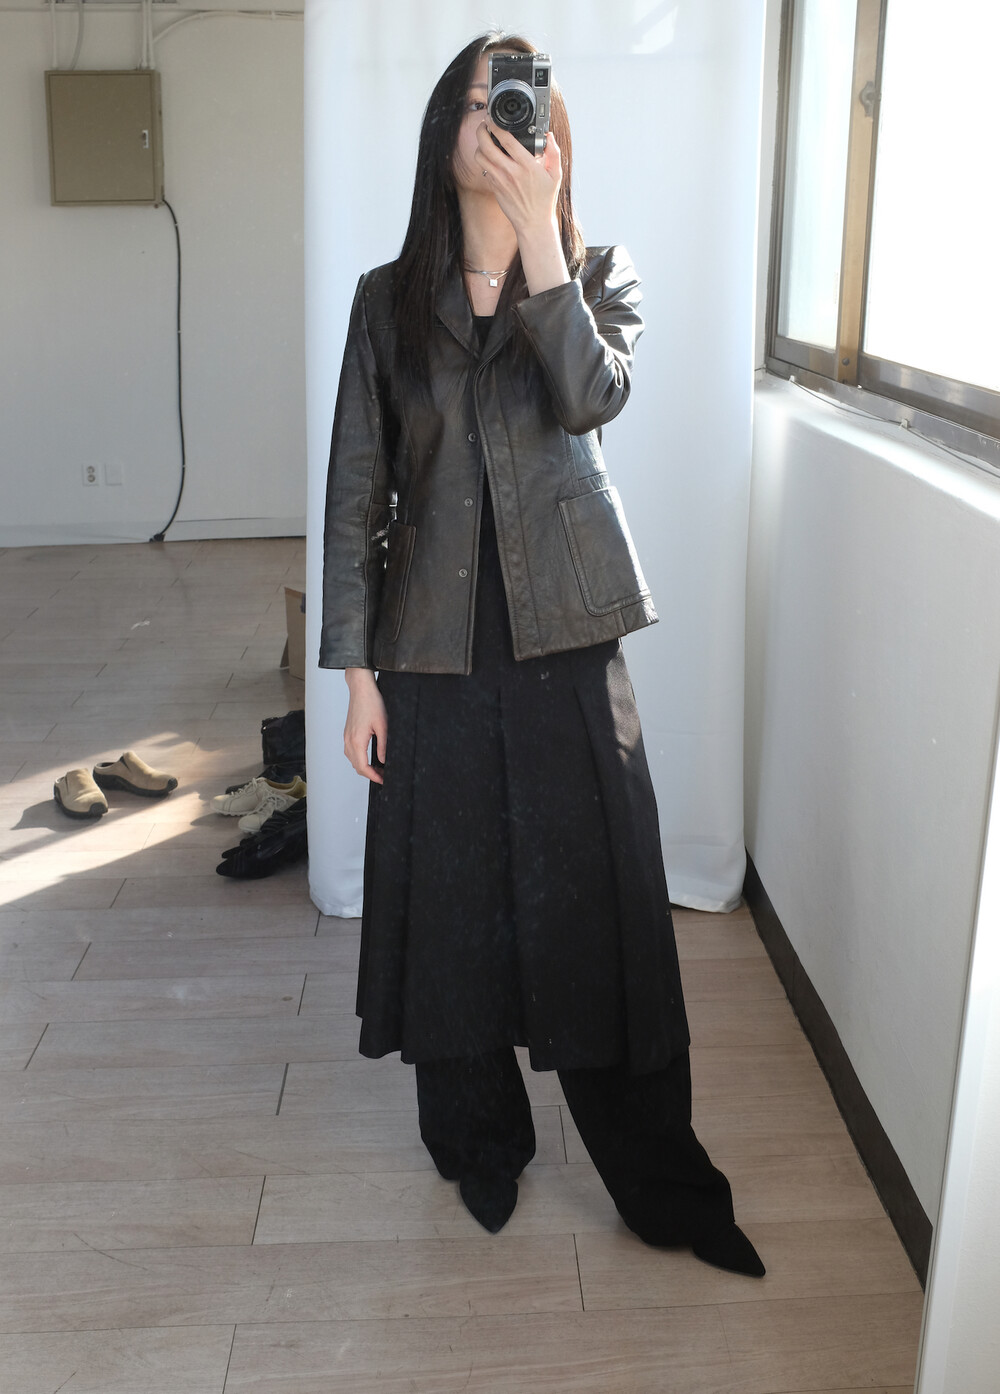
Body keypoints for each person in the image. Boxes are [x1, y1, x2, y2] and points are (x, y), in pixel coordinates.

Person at [320, 31, 764, 1278]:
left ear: (550, 136)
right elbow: (355, 492)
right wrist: (355, 677)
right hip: (426, 645)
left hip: (567, 630)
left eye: (516, 105)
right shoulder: (385, 300)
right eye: (476, 102)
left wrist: (542, 243)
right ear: (442, 130)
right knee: (451, 898)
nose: (495, 121)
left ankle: (663, 1183)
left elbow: (589, 400)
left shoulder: (598, 272)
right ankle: (480, 1141)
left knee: (604, 904)